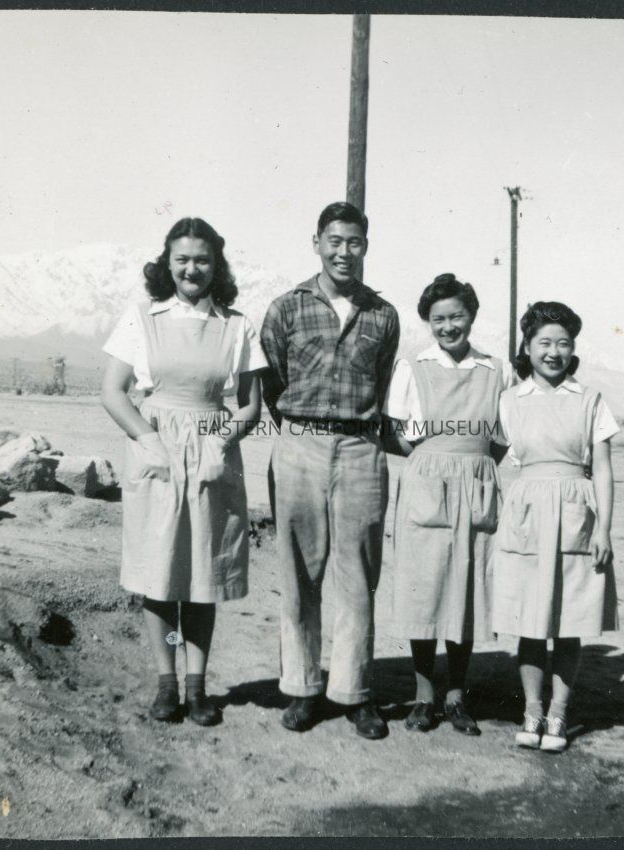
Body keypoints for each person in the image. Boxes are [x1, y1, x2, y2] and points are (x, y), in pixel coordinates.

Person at [101, 217, 267, 726]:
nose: (192, 269)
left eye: (202, 260)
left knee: (202, 572)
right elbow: (113, 392)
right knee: (160, 573)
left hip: (213, 453)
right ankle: (166, 683)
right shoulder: (142, 318)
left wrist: (221, 441)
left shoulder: (237, 325)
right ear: (167, 263)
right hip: (156, 453)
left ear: (216, 265)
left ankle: (197, 687)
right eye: (182, 259)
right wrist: (148, 441)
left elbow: (251, 405)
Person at [260, 201, 400, 740]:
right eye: (334, 241)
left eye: (354, 242)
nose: (344, 252)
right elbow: (273, 381)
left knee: (358, 572)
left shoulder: (383, 315)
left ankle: (354, 692)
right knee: (298, 571)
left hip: (362, 449)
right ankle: (301, 688)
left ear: (367, 246)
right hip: (299, 444)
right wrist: (302, 430)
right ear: (316, 242)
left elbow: (382, 384)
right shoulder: (286, 308)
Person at [384, 273, 512, 735]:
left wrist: (471, 463)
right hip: (426, 486)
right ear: (428, 322)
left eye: (456, 316)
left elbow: (501, 439)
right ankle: (424, 697)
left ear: (471, 316)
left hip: (477, 484)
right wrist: (431, 460)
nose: (448, 326)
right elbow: (395, 434)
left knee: (467, 589)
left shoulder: (496, 370)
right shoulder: (412, 367)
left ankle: (457, 697)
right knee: (424, 588)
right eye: (438, 319)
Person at [493, 301, 619, 752]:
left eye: (563, 343)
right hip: (526, 513)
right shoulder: (509, 401)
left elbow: (602, 469)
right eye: (544, 342)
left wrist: (604, 529)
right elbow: (489, 455)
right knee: (530, 621)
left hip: (575, 514)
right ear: (527, 348)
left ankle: (559, 714)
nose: (554, 352)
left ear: (573, 349)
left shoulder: (589, 400)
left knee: (569, 621)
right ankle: (532, 711)